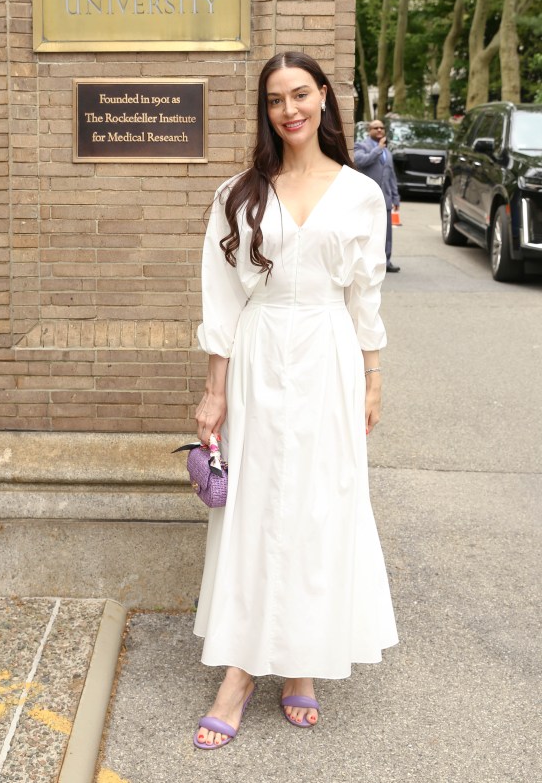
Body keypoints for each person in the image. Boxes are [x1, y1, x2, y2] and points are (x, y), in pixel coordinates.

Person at [192, 52, 398, 750]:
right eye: (277, 98)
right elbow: (222, 296)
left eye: (301, 94)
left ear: (323, 100)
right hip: (259, 350)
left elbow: (365, 293)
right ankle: (241, 670)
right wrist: (213, 389)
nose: (290, 109)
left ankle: (302, 661)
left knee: (319, 504)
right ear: (267, 110)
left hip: (330, 355)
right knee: (256, 506)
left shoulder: (361, 194)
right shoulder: (240, 192)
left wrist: (373, 376)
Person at [353, 120, 401, 272]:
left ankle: (386, 261)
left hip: (385, 198)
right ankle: (365, 261)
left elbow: (391, 175)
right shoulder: (361, 146)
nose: (380, 130)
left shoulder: (388, 152)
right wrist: (378, 149)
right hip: (366, 199)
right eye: (376, 128)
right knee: (366, 231)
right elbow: (361, 161)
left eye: (382, 128)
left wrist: (395, 197)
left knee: (386, 233)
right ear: (369, 130)